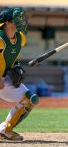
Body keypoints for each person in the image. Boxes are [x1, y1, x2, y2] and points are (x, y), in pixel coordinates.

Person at [0, 8, 39, 140]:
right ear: (8, 22)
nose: (21, 22)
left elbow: (11, 55)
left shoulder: (20, 38)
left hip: (4, 77)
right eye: (18, 19)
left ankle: (5, 130)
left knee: (30, 99)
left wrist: (16, 65)